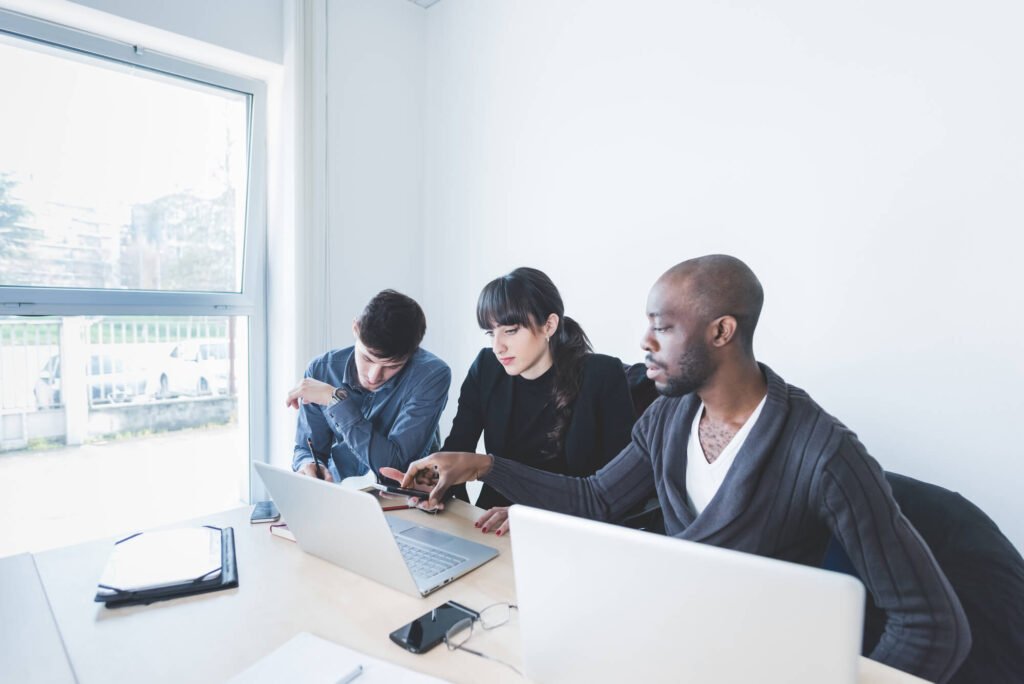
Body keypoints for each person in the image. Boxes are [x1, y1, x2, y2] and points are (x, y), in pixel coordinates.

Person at [393, 255, 971, 684]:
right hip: (670, 641)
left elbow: (932, 625)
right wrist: (485, 463)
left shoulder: (823, 454)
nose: (644, 342)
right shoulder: (670, 418)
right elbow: (597, 499)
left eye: (663, 327)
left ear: (722, 332)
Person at [383, 267, 635, 536]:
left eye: (511, 331)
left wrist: (530, 516)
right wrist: (431, 484)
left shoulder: (602, 376)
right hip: (491, 526)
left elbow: (613, 491)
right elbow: (458, 448)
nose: (498, 346)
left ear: (549, 325)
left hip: (569, 532)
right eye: (491, 333)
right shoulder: (487, 368)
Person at [287, 289, 451, 481]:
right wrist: (309, 463)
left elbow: (394, 467)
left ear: (413, 353)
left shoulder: (431, 376)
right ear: (355, 328)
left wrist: (336, 400)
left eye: (392, 366)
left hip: (403, 501)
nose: (374, 376)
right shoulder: (321, 370)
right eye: (367, 358)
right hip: (338, 494)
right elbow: (306, 449)